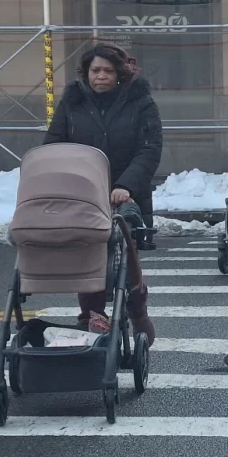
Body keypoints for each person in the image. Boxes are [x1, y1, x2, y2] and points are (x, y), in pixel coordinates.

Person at [44, 42, 161, 345]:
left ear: (120, 74)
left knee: (127, 259)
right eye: (95, 70)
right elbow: (54, 143)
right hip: (84, 193)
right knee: (89, 255)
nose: (101, 76)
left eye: (108, 71)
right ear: (86, 73)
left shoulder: (141, 102)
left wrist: (126, 185)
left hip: (127, 196)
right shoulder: (72, 102)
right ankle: (91, 315)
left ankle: (137, 313)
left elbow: (149, 149)